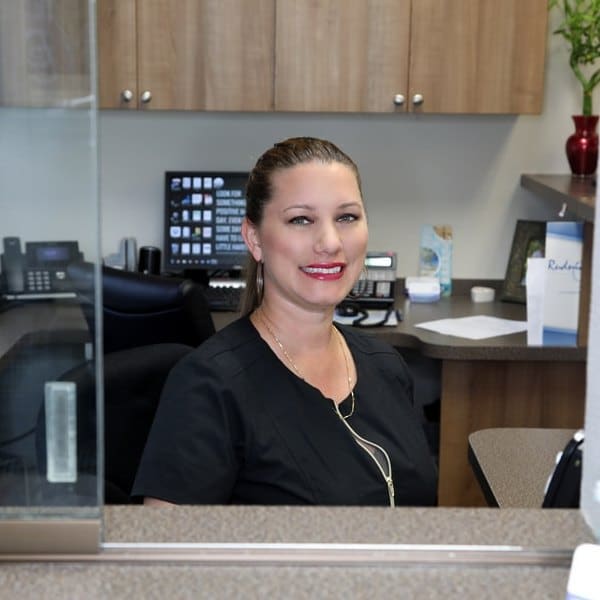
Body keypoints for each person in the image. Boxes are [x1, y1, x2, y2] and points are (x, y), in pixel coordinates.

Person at [133, 137, 438, 506]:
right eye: (301, 220)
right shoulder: (208, 387)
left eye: (347, 217)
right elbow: (168, 556)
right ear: (254, 239)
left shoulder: (387, 367)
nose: (330, 242)